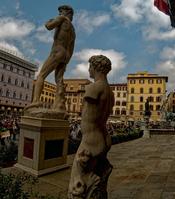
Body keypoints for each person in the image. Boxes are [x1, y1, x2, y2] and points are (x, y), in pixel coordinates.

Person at [68, 55, 114, 198]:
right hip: (103, 137)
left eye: (90, 66)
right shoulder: (109, 92)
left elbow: (87, 115)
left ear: (96, 67)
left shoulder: (94, 88)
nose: (89, 69)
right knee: (97, 182)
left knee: (78, 185)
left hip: (90, 141)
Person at [26, 5, 75, 111]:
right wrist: (66, 61)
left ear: (67, 12)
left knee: (41, 76)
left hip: (57, 51)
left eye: (61, 12)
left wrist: (49, 21)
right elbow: (71, 49)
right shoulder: (73, 30)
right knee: (59, 81)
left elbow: (49, 26)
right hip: (66, 55)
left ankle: (35, 101)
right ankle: (59, 105)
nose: (59, 14)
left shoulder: (62, 19)